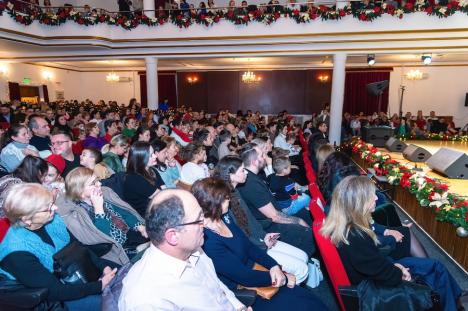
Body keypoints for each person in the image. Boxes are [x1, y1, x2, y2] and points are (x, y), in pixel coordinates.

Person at [320, 176, 464, 311]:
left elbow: (372, 264)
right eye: (372, 196)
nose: (376, 198)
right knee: (435, 268)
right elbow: (378, 271)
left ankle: (455, 300)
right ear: (359, 202)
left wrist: (396, 266)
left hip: (376, 275)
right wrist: (399, 271)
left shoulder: (348, 225)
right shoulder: (355, 235)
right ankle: (455, 303)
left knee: (434, 267)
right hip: (374, 287)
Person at [193, 178, 327, 311]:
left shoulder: (224, 218)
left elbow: (249, 247)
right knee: (307, 305)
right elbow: (243, 276)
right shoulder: (208, 240)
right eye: (225, 197)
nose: (229, 199)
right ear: (213, 204)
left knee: (310, 300)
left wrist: (273, 265)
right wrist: (283, 278)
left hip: (257, 272)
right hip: (245, 290)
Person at [118, 189, 250, 311]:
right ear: (173, 236)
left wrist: (239, 307)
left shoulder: (192, 247)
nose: (204, 223)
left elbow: (217, 288)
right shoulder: (147, 299)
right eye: (198, 219)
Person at [0, 183, 117, 311]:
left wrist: (103, 267)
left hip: (71, 273)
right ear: (26, 219)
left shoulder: (52, 220)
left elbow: (79, 247)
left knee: (122, 275)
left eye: (51, 203)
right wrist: (99, 285)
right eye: (48, 208)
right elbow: (55, 291)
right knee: (113, 303)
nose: (55, 208)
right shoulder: (16, 253)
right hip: (50, 298)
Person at [214, 155, 320, 286]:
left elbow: (250, 222)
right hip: (255, 247)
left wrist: (264, 236)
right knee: (302, 269)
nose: (246, 172)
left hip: (261, 239)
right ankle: (290, 292)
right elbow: (241, 235)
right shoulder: (224, 201)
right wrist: (262, 243)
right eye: (242, 170)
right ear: (230, 175)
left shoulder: (235, 192)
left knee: (303, 257)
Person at [237, 143, 315, 257]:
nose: (265, 157)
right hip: (269, 227)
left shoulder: (252, 177)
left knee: (307, 215)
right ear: (254, 162)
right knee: (309, 234)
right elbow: (274, 216)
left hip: (273, 217)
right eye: (262, 155)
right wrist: (298, 222)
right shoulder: (251, 184)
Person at [61, 167, 147, 262]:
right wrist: (99, 209)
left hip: (131, 234)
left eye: (97, 180)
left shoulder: (104, 193)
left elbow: (124, 213)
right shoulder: (78, 216)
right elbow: (106, 237)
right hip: (118, 250)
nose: (99, 184)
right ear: (80, 193)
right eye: (93, 183)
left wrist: (140, 227)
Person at [123, 142, 162, 217]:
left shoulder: (152, 170)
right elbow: (160, 196)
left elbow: (164, 189)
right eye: (151, 155)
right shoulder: (134, 178)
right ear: (141, 158)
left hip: (156, 209)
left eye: (153, 153)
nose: (155, 156)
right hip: (146, 216)